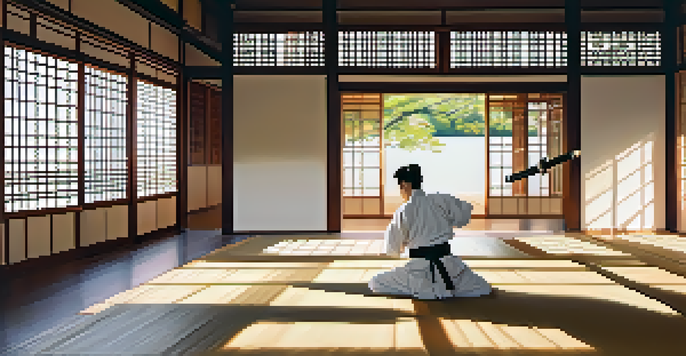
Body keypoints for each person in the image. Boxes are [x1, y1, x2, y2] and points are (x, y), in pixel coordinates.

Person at [368, 164, 492, 300]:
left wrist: (401, 246)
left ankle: (428, 290)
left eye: (400, 187)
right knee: (483, 287)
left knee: (376, 282)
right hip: (449, 266)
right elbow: (464, 215)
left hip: (419, 271)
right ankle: (446, 288)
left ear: (404, 185)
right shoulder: (441, 200)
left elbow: (393, 248)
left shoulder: (403, 210)